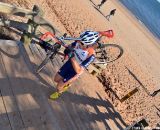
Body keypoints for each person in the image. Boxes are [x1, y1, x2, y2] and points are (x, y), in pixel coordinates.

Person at [49, 30, 114, 99]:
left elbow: (79, 71)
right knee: (56, 79)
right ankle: (67, 83)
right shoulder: (80, 41)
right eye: (80, 41)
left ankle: (59, 92)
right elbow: (99, 33)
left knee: (59, 86)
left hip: (75, 71)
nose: (79, 43)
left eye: (82, 43)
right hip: (69, 63)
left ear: (88, 45)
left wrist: (72, 57)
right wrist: (68, 49)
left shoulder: (91, 55)